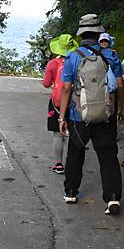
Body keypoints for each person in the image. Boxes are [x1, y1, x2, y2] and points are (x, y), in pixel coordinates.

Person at [58, 14, 124, 215]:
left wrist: (62, 117)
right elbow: (120, 84)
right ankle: (113, 198)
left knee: (75, 152)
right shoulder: (110, 55)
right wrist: (123, 109)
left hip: (80, 116)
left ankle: (71, 191)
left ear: (81, 34)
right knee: (108, 155)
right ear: (98, 33)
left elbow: (66, 88)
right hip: (106, 115)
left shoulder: (73, 56)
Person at [43, 34, 79, 174]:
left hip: (57, 102)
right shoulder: (76, 61)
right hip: (74, 101)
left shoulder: (53, 63)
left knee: (57, 134)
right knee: (73, 132)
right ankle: (73, 163)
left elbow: (46, 83)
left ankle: (58, 164)